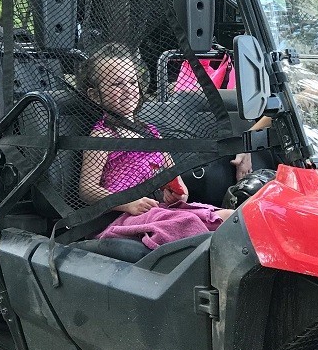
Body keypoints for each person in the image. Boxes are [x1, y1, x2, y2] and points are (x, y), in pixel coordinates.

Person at [78, 43, 233, 249]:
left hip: (157, 210)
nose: (128, 90)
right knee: (186, 223)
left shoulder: (151, 133)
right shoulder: (103, 135)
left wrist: (178, 193)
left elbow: (171, 175)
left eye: (133, 82)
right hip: (123, 216)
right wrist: (128, 204)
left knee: (230, 216)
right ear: (95, 95)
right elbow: (87, 189)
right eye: (117, 84)